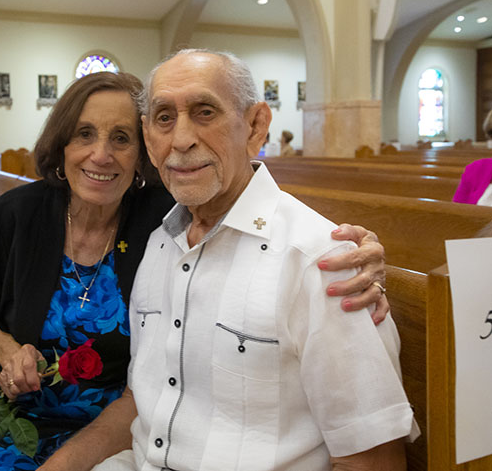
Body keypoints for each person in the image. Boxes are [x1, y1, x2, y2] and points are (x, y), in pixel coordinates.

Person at [0, 70, 390, 470]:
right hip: (5, 392)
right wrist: (7, 351)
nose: (101, 154)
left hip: (99, 412)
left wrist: (358, 249)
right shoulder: (16, 213)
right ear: (61, 145)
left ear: (142, 153)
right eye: (84, 134)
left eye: (121, 138)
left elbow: (253, 216)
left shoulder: (165, 217)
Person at [39, 50, 418, 471]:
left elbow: (372, 460)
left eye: (205, 112)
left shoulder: (320, 264)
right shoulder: (159, 243)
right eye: (164, 117)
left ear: (255, 126)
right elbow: (142, 401)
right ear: (148, 136)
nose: (181, 139)